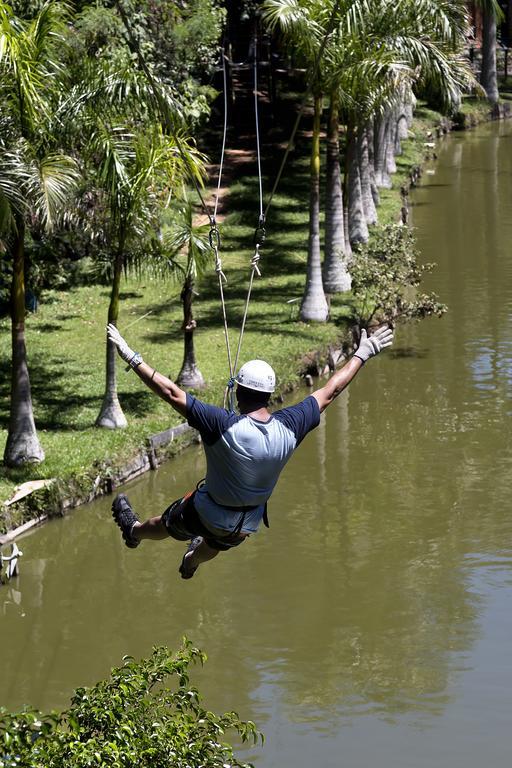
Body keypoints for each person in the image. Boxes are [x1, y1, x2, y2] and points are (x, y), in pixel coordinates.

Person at [107, 322, 393, 579]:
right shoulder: (290, 426)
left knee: (169, 522)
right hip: (247, 523)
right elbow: (331, 390)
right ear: (269, 395)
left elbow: (171, 392)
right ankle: (192, 562)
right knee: (217, 542)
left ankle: (134, 533)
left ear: (238, 392)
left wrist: (132, 357)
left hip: (205, 513)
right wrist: (363, 353)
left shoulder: (222, 425)